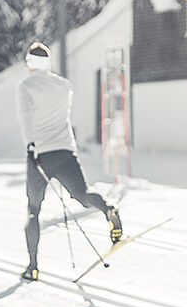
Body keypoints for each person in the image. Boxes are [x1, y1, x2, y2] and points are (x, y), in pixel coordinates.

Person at [17, 42, 122, 281]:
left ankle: (32, 267)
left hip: (40, 155)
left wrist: (31, 144)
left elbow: (25, 118)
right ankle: (108, 209)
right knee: (83, 195)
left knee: (33, 211)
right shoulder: (64, 86)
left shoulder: (25, 87)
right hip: (65, 152)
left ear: (30, 63)